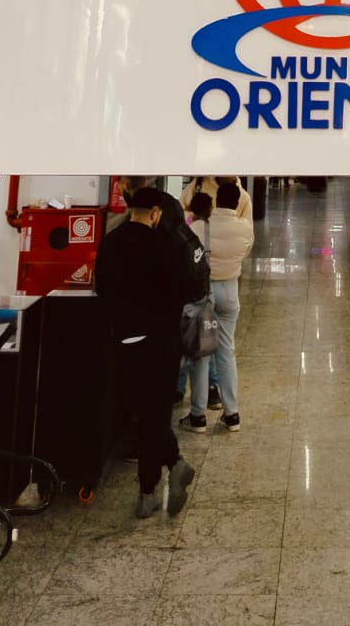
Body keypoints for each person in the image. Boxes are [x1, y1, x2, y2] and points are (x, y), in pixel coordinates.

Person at [94, 185, 198, 518]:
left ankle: (171, 470)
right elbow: (183, 290)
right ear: (155, 214)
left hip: (125, 340)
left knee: (139, 410)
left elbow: (102, 290)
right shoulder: (162, 244)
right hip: (160, 342)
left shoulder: (110, 242)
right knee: (155, 414)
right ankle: (151, 487)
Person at [181, 181, 254, 435]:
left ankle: (198, 416)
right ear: (237, 203)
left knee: (201, 355)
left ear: (216, 200)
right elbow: (245, 252)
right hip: (230, 292)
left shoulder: (199, 228)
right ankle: (232, 414)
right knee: (226, 352)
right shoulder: (245, 228)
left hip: (205, 293)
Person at [177, 192, 215, 408]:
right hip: (207, 292)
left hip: (192, 294)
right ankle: (213, 388)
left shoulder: (187, 230)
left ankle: (179, 388)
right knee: (208, 343)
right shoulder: (211, 229)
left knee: (187, 342)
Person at [181, 175, 253, 221]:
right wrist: (193, 219)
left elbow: (247, 232)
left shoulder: (244, 197)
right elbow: (180, 211)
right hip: (198, 237)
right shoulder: (198, 184)